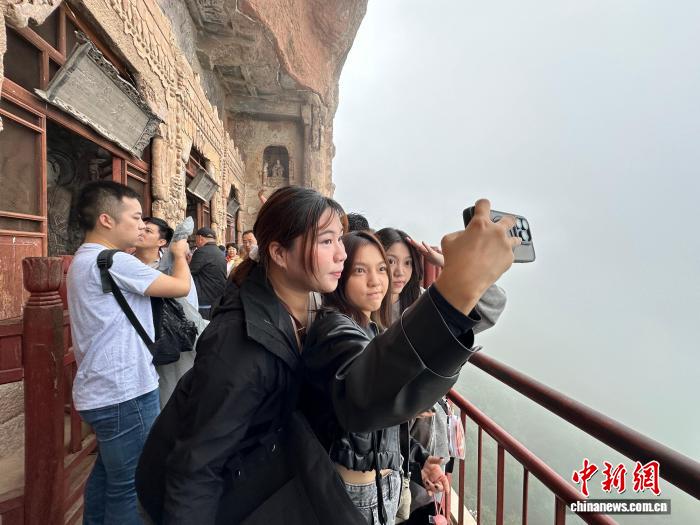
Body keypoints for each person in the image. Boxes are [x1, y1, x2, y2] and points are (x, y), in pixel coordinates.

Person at [136, 188, 519, 524]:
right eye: (326, 241)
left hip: (273, 484)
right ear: (279, 253)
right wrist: (453, 293)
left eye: (340, 239)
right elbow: (194, 471)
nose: (341, 253)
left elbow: (355, 390)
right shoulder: (241, 345)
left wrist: (416, 457)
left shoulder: (306, 309)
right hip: (238, 497)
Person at [300, 231, 449, 525]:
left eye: (381, 268)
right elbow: (369, 398)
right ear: (341, 276)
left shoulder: (369, 328)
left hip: (382, 487)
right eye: (360, 270)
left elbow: (381, 427)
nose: (376, 280)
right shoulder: (335, 330)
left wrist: (418, 459)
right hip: (356, 494)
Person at [66, 181, 191, 525]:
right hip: (125, 391)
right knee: (131, 485)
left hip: (100, 389)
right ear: (107, 219)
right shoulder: (115, 260)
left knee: (108, 476)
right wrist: (179, 254)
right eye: (136, 217)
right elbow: (180, 287)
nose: (141, 225)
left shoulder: (84, 258)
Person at [375, 227, 507, 523]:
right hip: (388, 444)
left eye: (407, 263)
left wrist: (452, 265)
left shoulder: (424, 306)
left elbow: (492, 306)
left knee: (422, 507)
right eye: (390, 261)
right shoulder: (362, 311)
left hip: (427, 440)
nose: (399, 272)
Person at [134, 217, 205, 407]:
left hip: (168, 343)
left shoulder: (174, 269)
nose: (141, 232)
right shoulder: (125, 265)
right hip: (138, 345)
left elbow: (189, 308)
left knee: (170, 393)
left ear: (162, 241)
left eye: (148, 230)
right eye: (140, 228)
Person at [190, 226, 227, 319]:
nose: (196, 243)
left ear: (200, 238)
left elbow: (189, 272)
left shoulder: (201, 251)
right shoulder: (219, 252)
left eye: (196, 240)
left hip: (205, 300)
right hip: (217, 297)